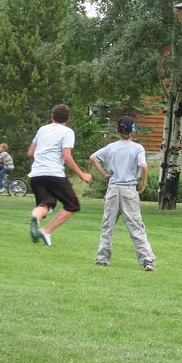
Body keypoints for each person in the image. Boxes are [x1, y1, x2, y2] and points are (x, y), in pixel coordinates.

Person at [90, 116, 156, 271]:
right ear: (133, 132)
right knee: (136, 227)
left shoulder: (111, 147)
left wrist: (105, 174)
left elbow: (93, 158)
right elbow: (144, 166)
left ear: (117, 131)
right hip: (129, 190)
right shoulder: (137, 148)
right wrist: (143, 184)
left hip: (113, 190)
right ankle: (147, 260)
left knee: (108, 226)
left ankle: (102, 259)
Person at [28, 104, 92, 246]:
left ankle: (35, 217)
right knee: (72, 205)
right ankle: (46, 231)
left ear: (52, 117)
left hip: (37, 174)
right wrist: (82, 174)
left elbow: (30, 153)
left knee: (46, 204)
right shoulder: (67, 132)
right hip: (54, 173)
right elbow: (67, 157)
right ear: (68, 119)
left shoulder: (42, 129)